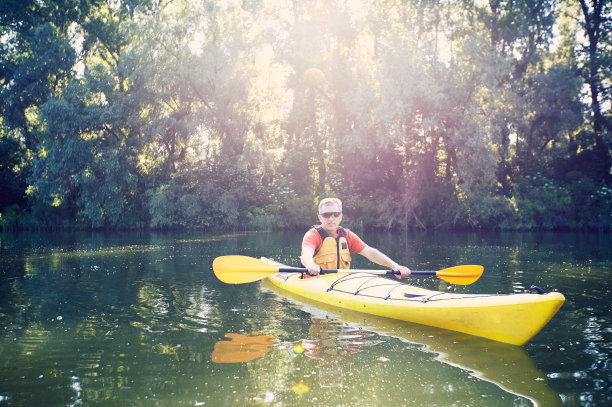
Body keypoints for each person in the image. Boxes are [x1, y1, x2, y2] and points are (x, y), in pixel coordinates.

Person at [300, 198, 411, 278]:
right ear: (320, 218)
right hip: (315, 281)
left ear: (340, 217)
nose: (331, 219)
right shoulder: (313, 235)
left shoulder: (347, 235)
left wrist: (395, 266)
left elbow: (371, 253)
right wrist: (310, 265)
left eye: (335, 214)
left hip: (341, 281)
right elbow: (306, 255)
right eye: (326, 215)